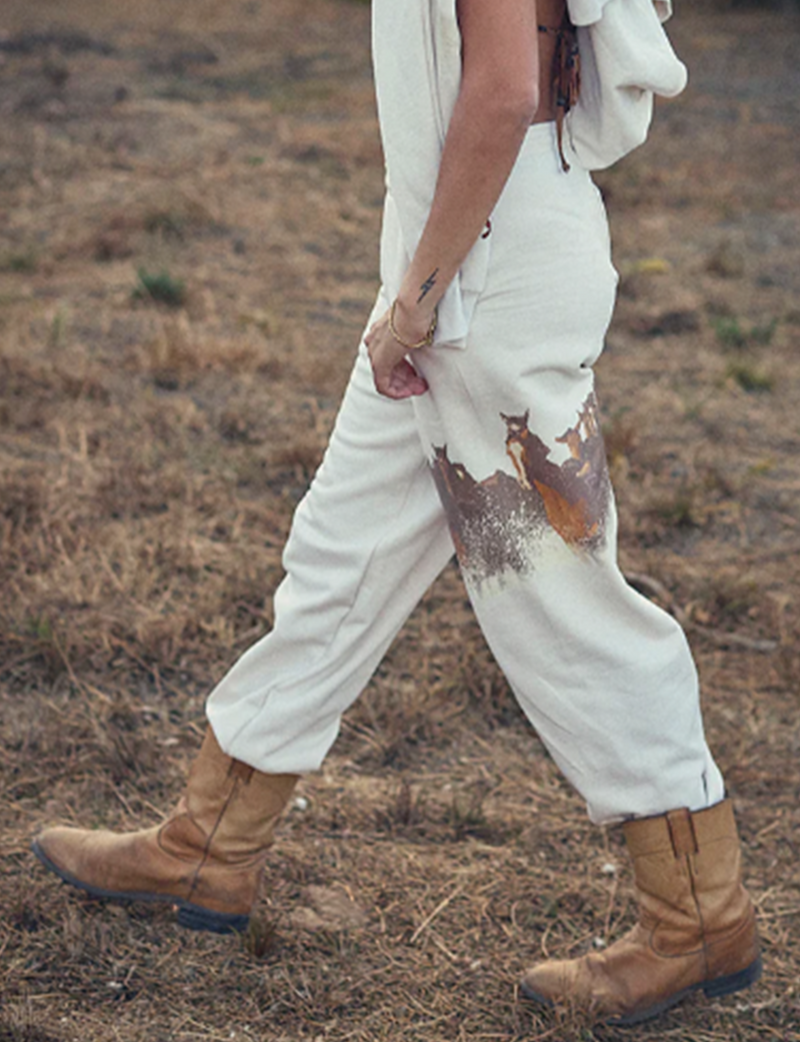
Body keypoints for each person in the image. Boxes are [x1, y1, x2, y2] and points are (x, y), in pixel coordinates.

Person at [32, 0, 761, 1026]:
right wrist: (415, 289)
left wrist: (417, 302)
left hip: (483, 277)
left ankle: (695, 916)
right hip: (458, 250)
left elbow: (502, 89)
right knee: (340, 557)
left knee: (563, 604)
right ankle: (208, 845)